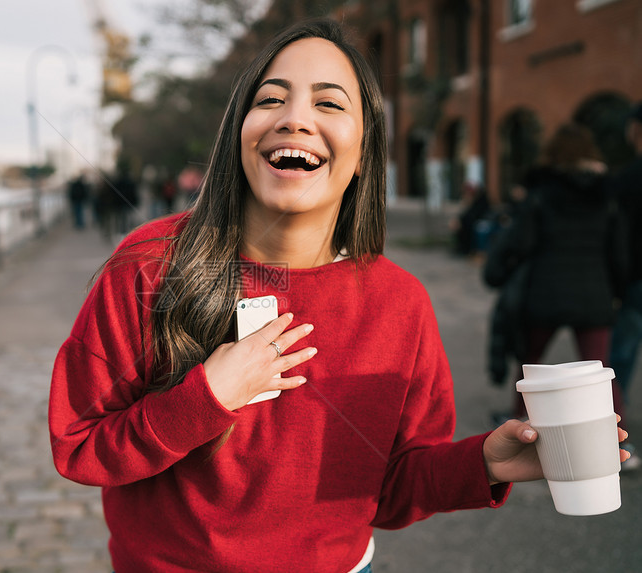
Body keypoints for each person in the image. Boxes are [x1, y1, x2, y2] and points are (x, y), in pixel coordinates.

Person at [48, 21, 631, 572]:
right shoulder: (149, 264)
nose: (295, 119)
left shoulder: (400, 303)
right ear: (237, 131)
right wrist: (205, 398)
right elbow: (80, 448)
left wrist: (481, 464)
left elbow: (392, 490)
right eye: (271, 99)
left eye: (328, 103)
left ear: (363, 152)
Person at [485, 124, 629, 428]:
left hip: (545, 292)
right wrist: (617, 292)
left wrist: (501, 270)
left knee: (531, 365)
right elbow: (618, 252)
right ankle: (618, 435)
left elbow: (521, 242)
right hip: (594, 294)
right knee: (600, 372)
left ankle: (521, 422)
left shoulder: (542, 193)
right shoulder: (607, 195)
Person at [608, 101, 642, 469]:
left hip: (636, 281)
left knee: (623, 358)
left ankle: (619, 439)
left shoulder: (629, 179)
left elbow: (619, 239)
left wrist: (617, 284)